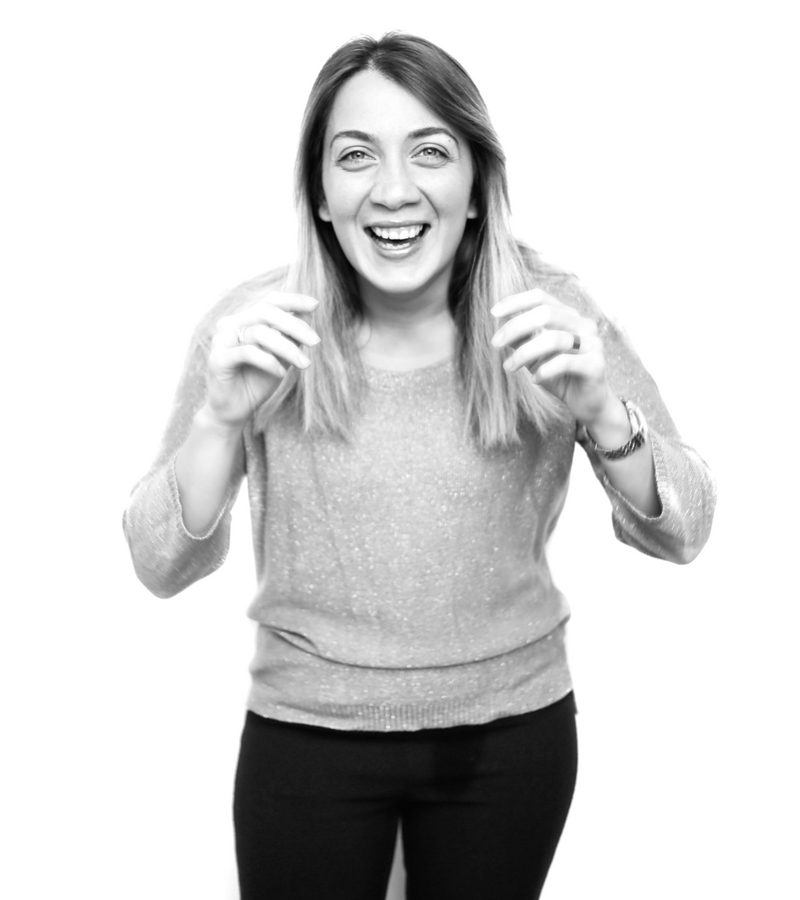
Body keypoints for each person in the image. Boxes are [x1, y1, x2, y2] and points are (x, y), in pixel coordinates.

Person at [123, 32, 716, 900]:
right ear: (320, 192)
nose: (393, 189)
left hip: (509, 743)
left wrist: (600, 412)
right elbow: (157, 563)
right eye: (355, 155)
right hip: (306, 735)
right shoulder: (255, 327)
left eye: (430, 152)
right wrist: (218, 420)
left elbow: (686, 529)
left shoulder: (550, 315)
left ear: (476, 185)